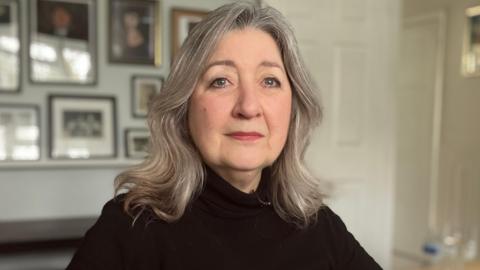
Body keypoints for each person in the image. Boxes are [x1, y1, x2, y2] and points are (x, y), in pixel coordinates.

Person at [67, 2, 382, 269]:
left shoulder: (320, 226)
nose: (248, 107)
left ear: (293, 108)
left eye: (269, 81)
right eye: (221, 81)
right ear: (184, 107)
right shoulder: (128, 229)